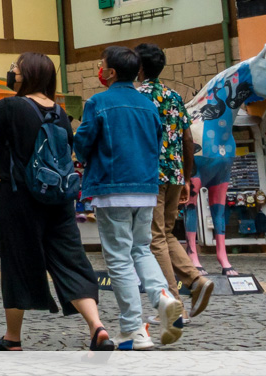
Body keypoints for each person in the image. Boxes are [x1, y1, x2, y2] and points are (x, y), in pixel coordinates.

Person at [0, 52, 114, 352]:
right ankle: (97, 326)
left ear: (28, 75)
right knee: (71, 261)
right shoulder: (61, 112)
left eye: (16, 69)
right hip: (60, 200)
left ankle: (12, 338)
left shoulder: (13, 107)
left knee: (17, 263)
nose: (12, 72)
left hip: (18, 197)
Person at [74, 46, 185, 350]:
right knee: (142, 250)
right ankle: (163, 297)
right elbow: (158, 142)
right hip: (146, 189)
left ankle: (133, 329)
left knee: (119, 258)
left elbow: (83, 142)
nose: (100, 69)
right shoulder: (148, 105)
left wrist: (81, 158)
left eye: (101, 66)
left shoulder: (98, 102)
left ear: (109, 73)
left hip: (112, 189)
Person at [135, 42, 215, 319]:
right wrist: (188, 176)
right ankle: (196, 280)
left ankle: (171, 301)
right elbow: (187, 139)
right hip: (174, 173)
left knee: (153, 238)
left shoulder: (138, 96)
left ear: (139, 67)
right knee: (166, 233)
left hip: (150, 175)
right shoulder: (172, 95)